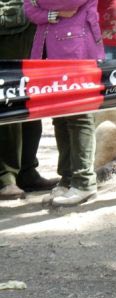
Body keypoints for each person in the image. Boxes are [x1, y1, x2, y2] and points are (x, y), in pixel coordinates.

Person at [24, 0, 104, 207]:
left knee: (80, 116)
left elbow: (71, 2)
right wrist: (50, 14)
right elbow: (28, 9)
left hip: (77, 49)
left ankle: (84, 182)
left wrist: (39, 3)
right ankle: (68, 179)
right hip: (48, 49)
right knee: (60, 117)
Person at [0, 0, 59, 200]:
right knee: (9, 106)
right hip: (7, 27)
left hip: (34, 26)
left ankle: (27, 172)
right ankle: (5, 178)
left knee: (32, 105)